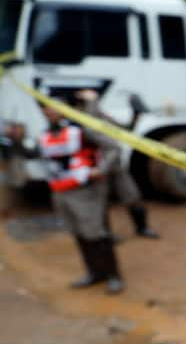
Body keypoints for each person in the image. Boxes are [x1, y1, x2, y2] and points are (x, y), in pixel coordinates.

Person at [8, 99, 126, 294]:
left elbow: (113, 147)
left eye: (53, 107)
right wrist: (17, 141)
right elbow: (36, 155)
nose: (49, 111)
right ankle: (94, 273)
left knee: (95, 234)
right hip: (59, 191)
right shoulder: (46, 134)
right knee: (78, 233)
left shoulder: (80, 130)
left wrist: (101, 169)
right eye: (46, 108)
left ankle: (113, 276)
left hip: (85, 192)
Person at [73, 90, 159, 239]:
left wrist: (136, 113)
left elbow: (126, 130)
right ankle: (104, 234)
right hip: (97, 167)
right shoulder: (79, 119)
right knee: (100, 203)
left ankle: (142, 228)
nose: (95, 102)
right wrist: (101, 169)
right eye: (91, 100)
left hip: (115, 166)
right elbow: (94, 134)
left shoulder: (101, 116)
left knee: (133, 196)